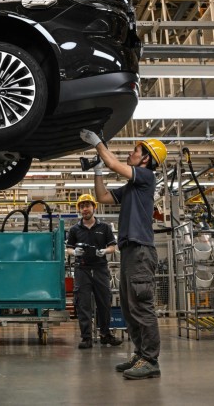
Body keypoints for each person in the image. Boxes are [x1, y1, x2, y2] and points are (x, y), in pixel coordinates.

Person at [80, 129, 167, 380]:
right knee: (130, 309)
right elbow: (103, 197)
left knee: (141, 306)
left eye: (136, 151)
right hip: (130, 250)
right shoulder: (132, 186)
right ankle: (141, 354)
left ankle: (151, 360)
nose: (131, 153)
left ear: (145, 160)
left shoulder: (146, 177)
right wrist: (98, 171)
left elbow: (113, 162)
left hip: (140, 250)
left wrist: (98, 143)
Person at [66, 193, 122, 349]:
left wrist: (105, 251)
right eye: (82, 206)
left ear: (94, 207)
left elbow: (113, 246)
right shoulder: (74, 230)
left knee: (104, 302)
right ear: (80, 209)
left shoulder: (104, 228)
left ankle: (105, 335)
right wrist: (74, 252)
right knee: (83, 304)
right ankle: (86, 338)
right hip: (82, 269)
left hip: (100, 269)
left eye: (87, 206)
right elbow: (68, 248)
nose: (85, 209)